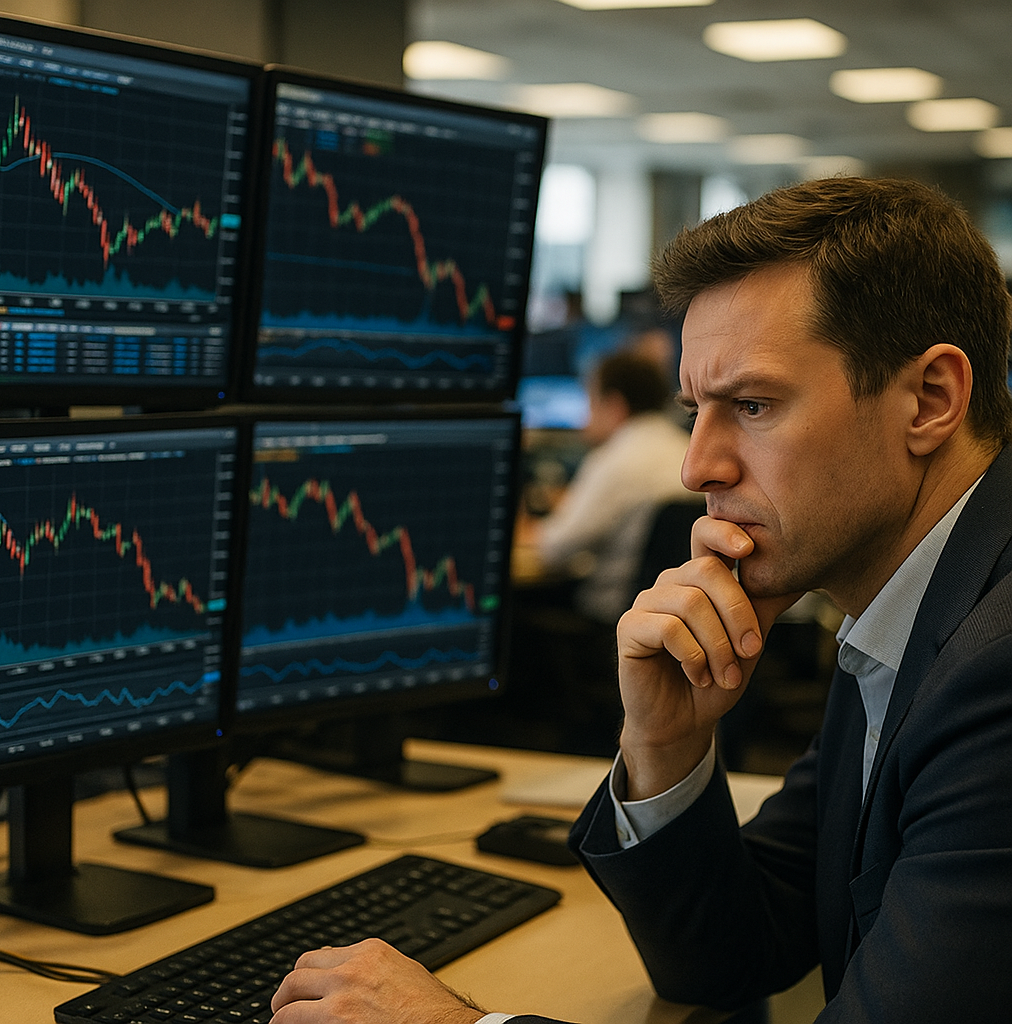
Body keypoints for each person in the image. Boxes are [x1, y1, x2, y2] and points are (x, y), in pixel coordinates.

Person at [268, 175, 1012, 1023]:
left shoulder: (993, 664)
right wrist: (665, 742)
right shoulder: (908, 608)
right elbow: (732, 955)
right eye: (696, 411)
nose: (699, 468)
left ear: (931, 400)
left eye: (754, 405)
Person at [530, 347, 696, 625]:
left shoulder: (616, 457)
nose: (585, 417)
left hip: (613, 619)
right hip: (679, 614)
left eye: (590, 402)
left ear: (615, 406)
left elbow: (554, 548)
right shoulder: (686, 449)